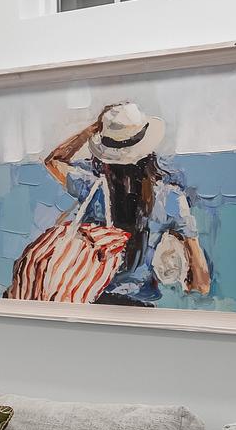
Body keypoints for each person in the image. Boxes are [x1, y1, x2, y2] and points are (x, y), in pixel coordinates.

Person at [42, 100, 209, 306]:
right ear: (147, 149)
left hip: (92, 299)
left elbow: (53, 160)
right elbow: (202, 283)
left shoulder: (92, 188)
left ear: (105, 152)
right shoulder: (171, 198)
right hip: (141, 306)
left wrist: (93, 129)